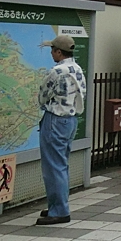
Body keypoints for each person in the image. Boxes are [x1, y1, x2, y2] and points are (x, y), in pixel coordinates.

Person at [37, 35, 86, 226]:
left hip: (55, 119)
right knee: (61, 164)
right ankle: (57, 204)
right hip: (71, 119)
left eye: (52, 50)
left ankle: (59, 210)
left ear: (59, 52)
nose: (51, 52)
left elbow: (42, 95)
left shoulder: (57, 71)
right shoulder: (77, 69)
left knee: (52, 166)